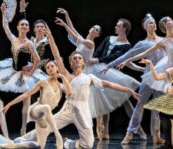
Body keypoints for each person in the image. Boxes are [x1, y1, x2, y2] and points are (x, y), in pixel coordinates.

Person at [115, 0, 173, 149]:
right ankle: (130, 133)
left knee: (164, 108)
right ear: (164, 25)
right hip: (160, 74)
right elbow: (144, 53)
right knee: (142, 103)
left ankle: (160, 137)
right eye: (170, 20)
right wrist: (126, 60)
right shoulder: (162, 42)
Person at [33, 25, 138, 149]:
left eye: (79, 58)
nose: (77, 60)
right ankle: (20, 140)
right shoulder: (67, 75)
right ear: (71, 62)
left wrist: (129, 90)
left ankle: (68, 143)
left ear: (83, 62)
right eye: (75, 58)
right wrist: (50, 37)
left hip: (83, 110)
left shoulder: (89, 78)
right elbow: (56, 55)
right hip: (69, 108)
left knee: (88, 144)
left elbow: (109, 84)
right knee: (45, 128)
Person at [54, 9, 143, 141]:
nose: (115, 27)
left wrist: (64, 25)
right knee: (92, 102)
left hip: (101, 70)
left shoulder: (90, 43)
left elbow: (115, 57)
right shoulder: (91, 40)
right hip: (87, 70)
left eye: (97, 29)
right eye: (94, 27)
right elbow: (73, 31)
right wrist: (66, 16)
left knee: (112, 101)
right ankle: (99, 132)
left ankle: (136, 130)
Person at [105, 13, 165, 144]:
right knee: (140, 104)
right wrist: (109, 65)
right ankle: (130, 133)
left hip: (161, 78)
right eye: (151, 23)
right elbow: (128, 55)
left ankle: (156, 136)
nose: (154, 25)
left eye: (154, 22)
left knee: (157, 107)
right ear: (145, 27)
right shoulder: (142, 43)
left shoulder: (163, 40)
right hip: (149, 76)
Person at [0, 0, 43, 135]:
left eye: (26, 25)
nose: (24, 27)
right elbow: (5, 26)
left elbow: (37, 60)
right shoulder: (13, 39)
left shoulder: (29, 44)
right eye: (22, 25)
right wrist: (3, 12)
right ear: (18, 27)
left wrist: (31, 73)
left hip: (25, 73)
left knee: (26, 101)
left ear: (28, 28)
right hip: (12, 70)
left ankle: (24, 128)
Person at [0, 61, 69, 149]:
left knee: (40, 146)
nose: (50, 69)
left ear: (57, 68)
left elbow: (70, 92)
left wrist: (63, 77)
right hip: (35, 110)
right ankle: (58, 135)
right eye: (48, 67)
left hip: (44, 116)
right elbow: (26, 94)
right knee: (46, 107)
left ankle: (13, 145)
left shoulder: (61, 86)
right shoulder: (43, 83)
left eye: (52, 66)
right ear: (46, 71)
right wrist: (9, 104)